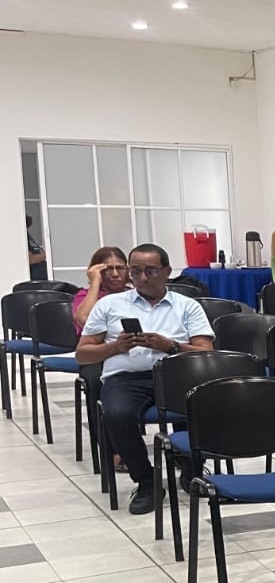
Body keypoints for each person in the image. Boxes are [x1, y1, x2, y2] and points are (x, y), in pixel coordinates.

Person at [76, 244, 214, 515]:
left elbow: (206, 352)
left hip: (177, 374)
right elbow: (83, 353)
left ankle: (191, 467)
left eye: (150, 271)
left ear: (167, 271)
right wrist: (115, 347)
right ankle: (147, 481)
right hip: (126, 379)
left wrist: (170, 346)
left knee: (201, 405)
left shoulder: (187, 305)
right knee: (117, 414)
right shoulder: (110, 305)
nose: (141, 278)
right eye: (135, 271)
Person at [73, 246, 130, 330]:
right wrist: (95, 281)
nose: (115, 274)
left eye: (120, 268)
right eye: (108, 269)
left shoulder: (134, 294)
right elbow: (84, 320)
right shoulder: (85, 295)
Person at [26, 215, 47, 281]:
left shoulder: (27, 235)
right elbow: (30, 259)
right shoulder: (21, 237)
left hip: (43, 276)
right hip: (36, 279)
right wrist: (47, 255)